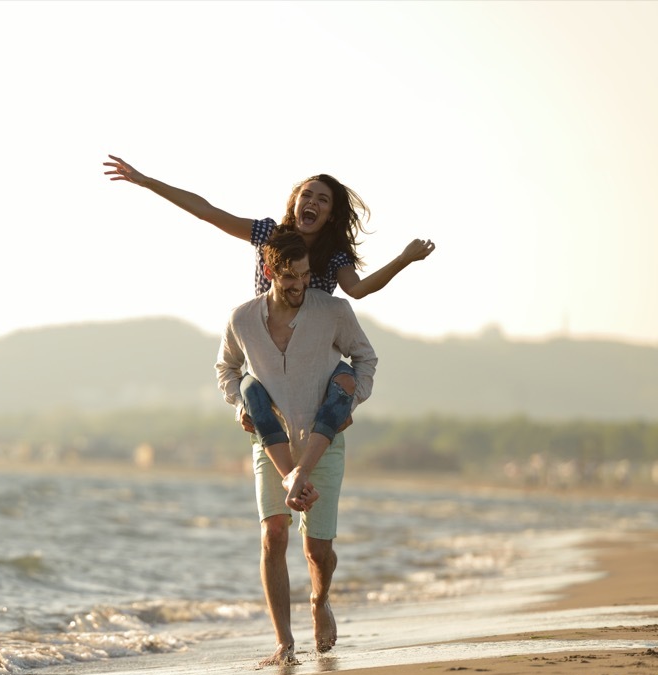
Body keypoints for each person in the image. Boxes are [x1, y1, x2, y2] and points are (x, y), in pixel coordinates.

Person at [104, 155, 430, 507]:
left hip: (313, 359)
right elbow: (208, 212)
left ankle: (300, 474)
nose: (312, 203)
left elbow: (359, 289)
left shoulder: (333, 256)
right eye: (307, 195)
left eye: (323, 200)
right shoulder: (269, 235)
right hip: (269, 350)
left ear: (331, 215)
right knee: (250, 392)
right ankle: (294, 477)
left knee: (344, 382)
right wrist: (146, 181)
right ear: (295, 201)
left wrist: (403, 259)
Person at [215, 226, 377, 666]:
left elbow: (365, 357)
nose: (298, 286)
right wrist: (238, 404)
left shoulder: (333, 311)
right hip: (271, 444)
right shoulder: (243, 319)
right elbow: (227, 369)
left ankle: (320, 600)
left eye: (305, 276)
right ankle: (285, 644)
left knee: (316, 550)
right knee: (273, 534)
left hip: (322, 444)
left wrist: (352, 398)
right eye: (289, 277)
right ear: (269, 271)